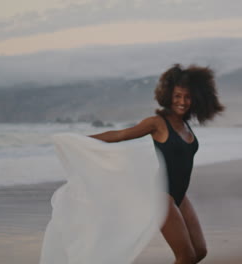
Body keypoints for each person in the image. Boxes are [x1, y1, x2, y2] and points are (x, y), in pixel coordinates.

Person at [88, 64, 224, 264]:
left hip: (181, 196)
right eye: (177, 96)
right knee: (185, 257)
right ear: (169, 95)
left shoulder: (185, 125)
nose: (182, 101)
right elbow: (120, 135)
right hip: (162, 197)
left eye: (187, 97)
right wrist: (82, 140)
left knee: (199, 252)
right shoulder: (158, 123)